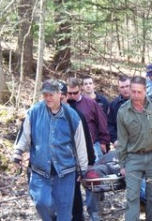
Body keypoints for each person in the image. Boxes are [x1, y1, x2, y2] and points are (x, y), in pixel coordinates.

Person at [12, 79, 88, 221]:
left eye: (51, 95)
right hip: (40, 170)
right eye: (45, 95)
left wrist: (83, 169)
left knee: (65, 212)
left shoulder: (72, 116)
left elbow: (80, 144)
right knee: (41, 203)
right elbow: (24, 135)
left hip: (66, 172)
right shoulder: (34, 112)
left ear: (59, 94)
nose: (47, 98)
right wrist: (17, 153)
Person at [117, 76, 152, 221]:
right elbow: (122, 141)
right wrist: (122, 165)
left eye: (139, 92)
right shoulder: (123, 111)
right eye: (133, 91)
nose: (136, 95)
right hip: (133, 158)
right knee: (132, 197)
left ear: (145, 91)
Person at [66, 77, 110, 221]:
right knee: (72, 180)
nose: (72, 96)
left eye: (75, 93)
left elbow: (102, 122)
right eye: (69, 93)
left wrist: (104, 142)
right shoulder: (62, 107)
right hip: (69, 150)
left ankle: (93, 211)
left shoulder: (90, 103)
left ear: (80, 90)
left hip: (91, 145)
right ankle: (74, 212)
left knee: (92, 179)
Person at [58, 80, 96, 221]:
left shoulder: (76, 114)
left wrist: (88, 163)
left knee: (74, 195)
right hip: (54, 164)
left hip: (73, 163)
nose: (60, 98)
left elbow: (86, 139)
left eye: (63, 95)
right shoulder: (45, 113)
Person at [107, 75, 131, 148]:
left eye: (127, 86)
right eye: (122, 87)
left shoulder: (141, 101)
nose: (125, 89)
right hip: (122, 144)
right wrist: (114, 140)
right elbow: (109, 124)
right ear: (118, 88)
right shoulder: (114, 105)